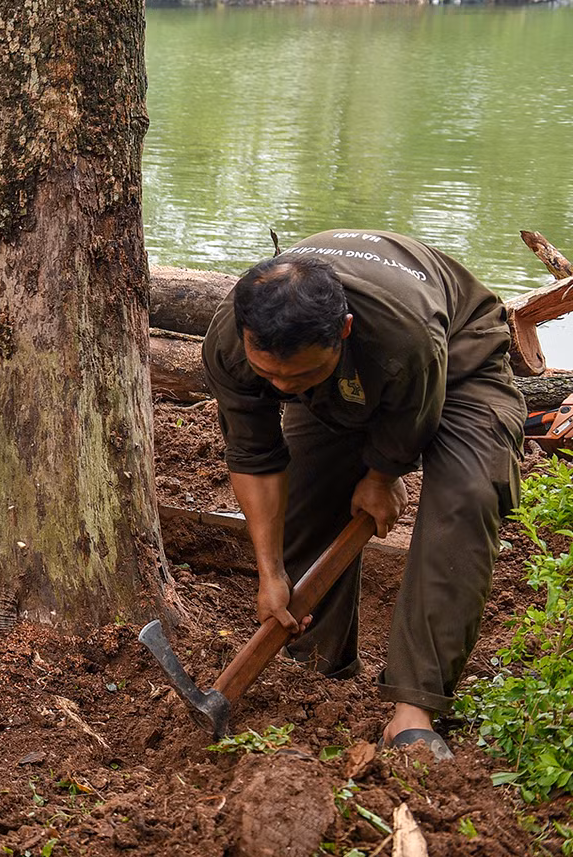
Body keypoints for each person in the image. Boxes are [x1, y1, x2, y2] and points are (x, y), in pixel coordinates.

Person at [201, 231, 526, 759]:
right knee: (307, 491)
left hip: (460, 364)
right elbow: (254, 457)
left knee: (465, 494)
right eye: (269, 374)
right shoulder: (234, 343)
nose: (282, 389)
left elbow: (413, 417)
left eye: (299, 373)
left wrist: (381, 476)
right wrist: (270, 571)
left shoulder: (404, 334)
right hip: (347, 379)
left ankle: (414, 709)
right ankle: (316, 671)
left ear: (344, 330)